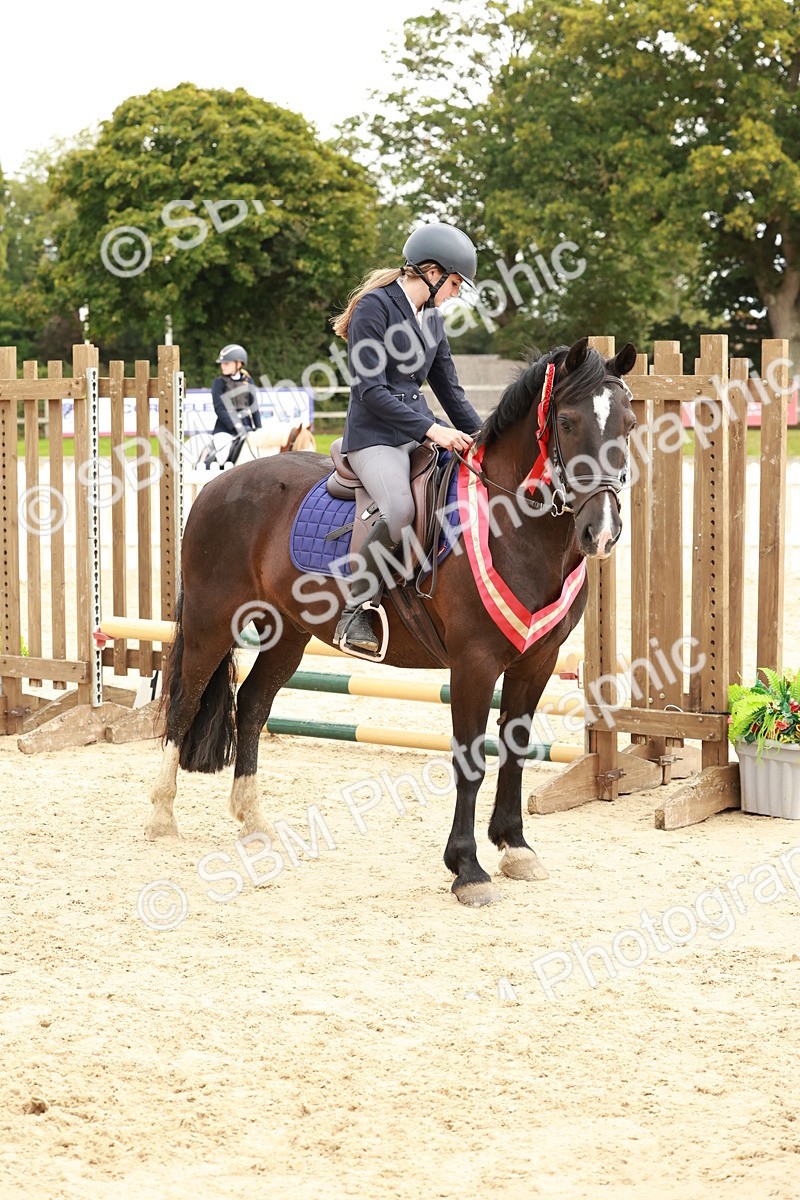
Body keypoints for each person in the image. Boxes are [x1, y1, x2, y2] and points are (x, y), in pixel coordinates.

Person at [331, 222, 483, 654]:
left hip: (415, 434)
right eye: (455, 283)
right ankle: (355, 611)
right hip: (374, 436)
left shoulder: (431, 319)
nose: (455, 293)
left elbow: (450, 391)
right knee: (399, 509)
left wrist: (483, 437)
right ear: (433, 273)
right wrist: (432, 429)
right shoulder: (374, 308)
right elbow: (370, 390)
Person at [209, 343, 261, 464]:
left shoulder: (248, 381)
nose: (223, 366)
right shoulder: (219, 383)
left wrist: (259, 429)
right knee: (222, 456)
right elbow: (219, 408)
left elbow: (254, 407)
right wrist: (237, 426)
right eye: (222, 363)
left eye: (226, 363)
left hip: (247, 427)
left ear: (239, 364)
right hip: (225, 429)